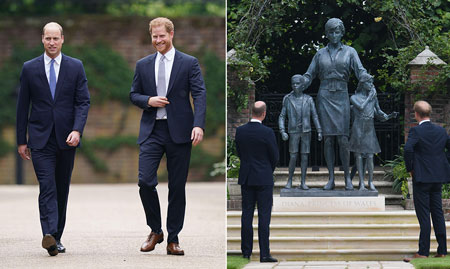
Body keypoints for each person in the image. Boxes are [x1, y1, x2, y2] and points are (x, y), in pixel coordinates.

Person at [129, 17, 206, 256]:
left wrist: (198, 125)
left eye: (162, 36)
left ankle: (173, 238)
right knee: (145, 181)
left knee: (177, 187)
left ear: (171, 34)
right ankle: (155, 230)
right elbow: (134, 95)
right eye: (154, 36)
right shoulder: (143, 65)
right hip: (152, 130)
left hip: (180, 132)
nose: (158, 40)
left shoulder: (188, 62)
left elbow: (200, 94)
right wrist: (148, 101)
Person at [16, 22, 90, 256]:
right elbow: (22, 106)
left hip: (67, 138)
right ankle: (48, 233)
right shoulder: (29, 68)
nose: (51, 42)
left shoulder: (75, 67)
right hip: (39, 139)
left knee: (61, 188)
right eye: (48, 38)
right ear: (42, 39)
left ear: (62, 39)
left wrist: (77, 130)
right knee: (47, 186)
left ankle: (56, 237)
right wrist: (21, 140)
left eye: (55, 38)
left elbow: (83, 102)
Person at [303, 18, 368, 190]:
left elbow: (360, 71)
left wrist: (366, 79)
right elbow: (309, 75)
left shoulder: (350, 52)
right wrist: (301, 82)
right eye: (331, 32)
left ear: (342, 32)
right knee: (328, 139)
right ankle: (331, 178)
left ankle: (347, 177)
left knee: (343, 139)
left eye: (337, 31)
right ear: (326, 33)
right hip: (324, 96)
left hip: (341, 95)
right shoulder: (320, 54)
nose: (334, 35)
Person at [403, 100, 450, 262]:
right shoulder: (441, 131)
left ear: (416, 114)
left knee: (424, 216)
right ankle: (442, 250)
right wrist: (444, 164)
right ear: (429, 113)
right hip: (438, 178)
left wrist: (410, 168)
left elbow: (408, 149)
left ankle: (423, 252)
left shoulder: (416, 131)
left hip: (422, 178)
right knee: (438, 214)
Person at [236, 101, 279, 263]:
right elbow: (274, 156)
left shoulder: (240, 131)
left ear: (251, 112)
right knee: (264, 216)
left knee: (246, 215)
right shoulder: (267, 132)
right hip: (264, 178)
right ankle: (264, 254)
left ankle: (246, 252)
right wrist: (268, 170)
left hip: (247, 177)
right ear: (264, 113)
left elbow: (240, 153)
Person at [349, 74, 398, 191]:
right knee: (359, 155)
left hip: (369, 127)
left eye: (372, 83)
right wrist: (369, 98)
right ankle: (361, 183)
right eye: (369, 83)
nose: (371, 85)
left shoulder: (373, 98)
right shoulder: (354, 97)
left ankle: (370, 182)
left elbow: (379, 113)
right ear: (363, 84)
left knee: (370, 155)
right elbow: (361, 107)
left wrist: (389, 116)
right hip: (358, 126)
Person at [279, 74, 322, 189]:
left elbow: (315, 116)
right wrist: (282, 131)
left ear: (303, 85)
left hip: (306, 131)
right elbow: (282, 116)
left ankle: (303, 182)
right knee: (293, 157)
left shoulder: (308, 99)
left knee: (304, 157)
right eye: (293, 83)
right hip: (293, 132)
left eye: (297, 83)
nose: (295, 86)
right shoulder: (288, 99)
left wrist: (319, 130)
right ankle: (290, 181)